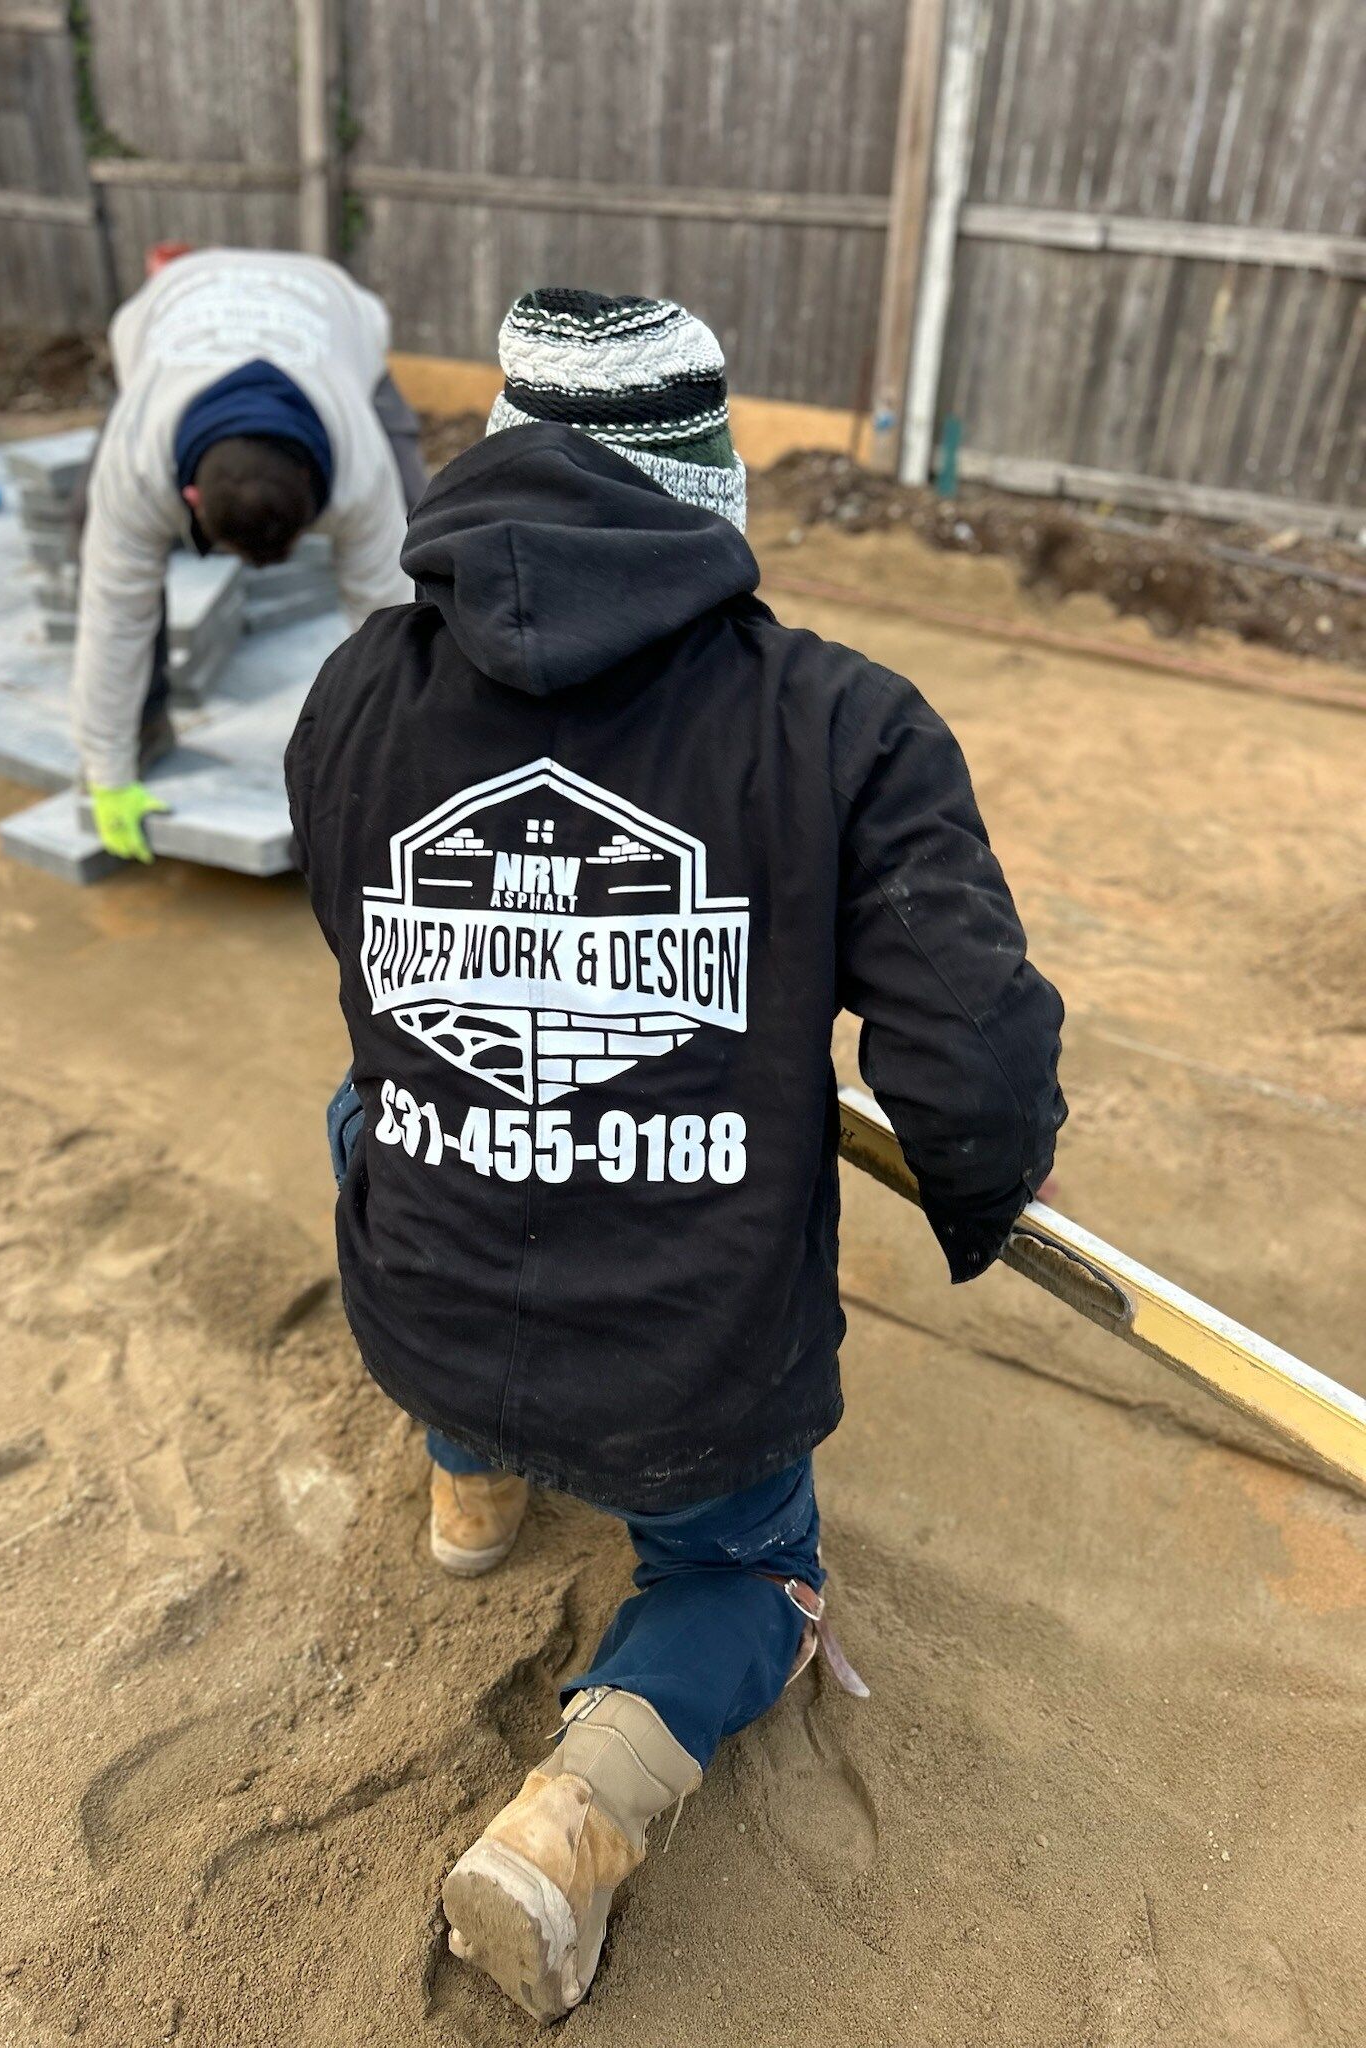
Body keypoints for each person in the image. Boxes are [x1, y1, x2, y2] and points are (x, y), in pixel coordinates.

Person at [285, 288, 1066, 2018]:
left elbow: (368, 972)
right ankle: (576, 1813)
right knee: (744, 1566)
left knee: (379, 1105)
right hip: (684, 1377)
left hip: (420, 1298)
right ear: (709, 486)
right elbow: (975, 1062)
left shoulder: (349, 689)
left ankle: (471, 1480)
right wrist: (989, 1181)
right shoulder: (848, 725)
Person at [71, 245, 426, 862]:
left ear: (316, 487)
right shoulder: (139, 466)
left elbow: (386, 618)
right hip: (173, 310)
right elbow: (113, 616)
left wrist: (403, 773)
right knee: (95, 531)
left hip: (329, 309)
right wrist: (106, 773)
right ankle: (143, 732)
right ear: (188, 496)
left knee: (420, 541)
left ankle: (439, 730)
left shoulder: (358, 471)